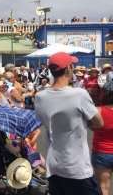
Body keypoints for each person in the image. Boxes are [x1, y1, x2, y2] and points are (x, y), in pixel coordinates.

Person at [35, 52, 103, 195]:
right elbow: (98, 123)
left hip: (54, 165)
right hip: (77, 167)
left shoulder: (40, 97)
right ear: (68, 69)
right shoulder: (79, 94)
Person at [92, 96, 113, 195]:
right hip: (102, 153)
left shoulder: (98, 111)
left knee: (103, 186)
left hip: (102, 153)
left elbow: (92, 126)